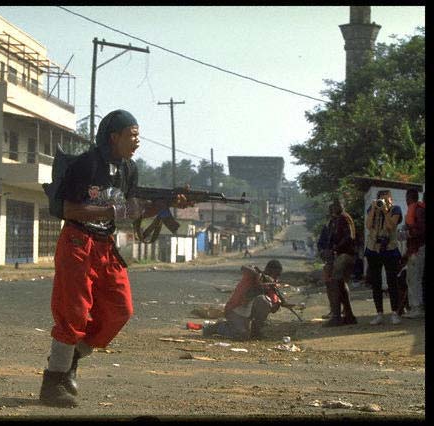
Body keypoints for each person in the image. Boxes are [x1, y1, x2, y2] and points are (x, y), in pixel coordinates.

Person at [38, 109, 191, 407]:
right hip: (78, 241)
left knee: (120, 310)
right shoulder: (87, 165)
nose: (137, 141)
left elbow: (133, 209)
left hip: (105, 245)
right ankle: (53, 382)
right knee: (73, 313)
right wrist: (113, 211)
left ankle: (71, 359)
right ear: (114, 137)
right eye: (132, 135)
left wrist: (166, 204)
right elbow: (69, 209)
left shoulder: (129, 169)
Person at [203, 260, 283, 340]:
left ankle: (256, 332)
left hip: (247, 314)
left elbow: (273, 307)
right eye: (276, 274)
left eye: (278, 275)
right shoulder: (253, 277)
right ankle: (217, 327)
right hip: (234, 311)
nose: (276, 277)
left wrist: (276, 302)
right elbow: (245, 269)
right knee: (242, 335)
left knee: (265, 302)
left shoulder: (271, 285)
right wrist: (259, 281)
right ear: (268, 270)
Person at [364, 190, 403, 325]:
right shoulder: (373, 209)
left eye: (387, 199)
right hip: (373, 248)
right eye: (381, 200)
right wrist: (374, 209)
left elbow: (391, 226)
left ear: (391, 199)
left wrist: (386, 211)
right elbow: (368, 226)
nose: (384, 202)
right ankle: (379, 313)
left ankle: (394, 313)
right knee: (376, 282)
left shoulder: (395, 209)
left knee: (392, 281)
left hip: (390, 249)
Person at [323, 199, 358, 327]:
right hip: (341, 254)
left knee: (335, 282)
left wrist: (335, 248)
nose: (333, 208)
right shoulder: (335, 220)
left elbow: (349, 237)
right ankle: (348, 315)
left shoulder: (344, 218)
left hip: (346, 254)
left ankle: (337, 317)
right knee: (339, 284)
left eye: (336, 205)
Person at [402, 188, 425, 319]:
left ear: (410, 198)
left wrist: (408, 233)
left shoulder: (418, 210)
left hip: (418, 249)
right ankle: (416, 307)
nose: (406, 201)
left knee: (414, 279)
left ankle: (416, 308)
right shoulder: (417, 209)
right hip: (415, 248)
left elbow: (421, 230)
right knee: (413, 279)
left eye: (407, 198)